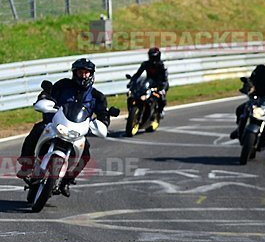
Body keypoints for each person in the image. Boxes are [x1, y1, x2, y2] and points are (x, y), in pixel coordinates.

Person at [16, 59, 110, 195]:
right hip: (54, 125)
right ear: (74, 73)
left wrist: (103, 123)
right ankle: (27, 164)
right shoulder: (63, 85)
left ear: (91, 74)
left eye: (86, 73)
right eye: (80, 72)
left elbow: (103, 114)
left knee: (86, 153)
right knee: (37, 129)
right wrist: (43, 98)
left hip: (76, 133)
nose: (83, 75)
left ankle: (66, 181)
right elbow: (49, 94)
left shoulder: (97, 96)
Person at [129, 47, 168, 120]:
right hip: (149, 82)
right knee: (132, 95)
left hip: (160, 83)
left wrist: (162, 88)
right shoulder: (146, 64)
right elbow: (138, 74)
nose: (153, 59)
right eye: (151, 57)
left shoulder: (162, 65)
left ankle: (160, 111)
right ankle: (132, 112)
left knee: (160, 96)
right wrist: (132, 82)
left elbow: (165, 79)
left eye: (154, 57)